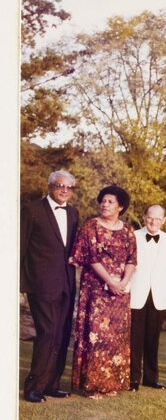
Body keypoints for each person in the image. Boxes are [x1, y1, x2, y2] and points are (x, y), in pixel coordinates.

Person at [70, 185, 137, 398]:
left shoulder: (127, 230)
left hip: (120, 293)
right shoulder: (91, 226)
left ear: (120, 207)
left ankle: (110, 383)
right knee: (96, 336)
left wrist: (124, 281)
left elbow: (132, 259)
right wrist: (110, 281)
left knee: (115, 338)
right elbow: (91, 258)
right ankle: (92, 385)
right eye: (103, 201)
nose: (105, 205)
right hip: (96, 290)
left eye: (110, 202)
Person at [21, 169, 80, 403]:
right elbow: (19, 248)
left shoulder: (73, 213)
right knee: (47, 333)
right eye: (59, 185)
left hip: (67, 283)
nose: (64, 190)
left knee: (62, 334)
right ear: (50, 187)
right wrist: (20, 284)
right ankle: (34, 386)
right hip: (40, 284)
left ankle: (52, 384)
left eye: (68, 187)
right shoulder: (32, 210)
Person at [128, 204, 166, 391]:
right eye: (150, 217)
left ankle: (151, 378)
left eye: (158, 218)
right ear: (144, 217)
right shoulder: (133, 236)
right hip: (136, 293)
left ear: (163, 221)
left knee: (153, 339)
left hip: (158, 294)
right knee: (135, 339)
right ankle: (133, 378)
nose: (153, 222)